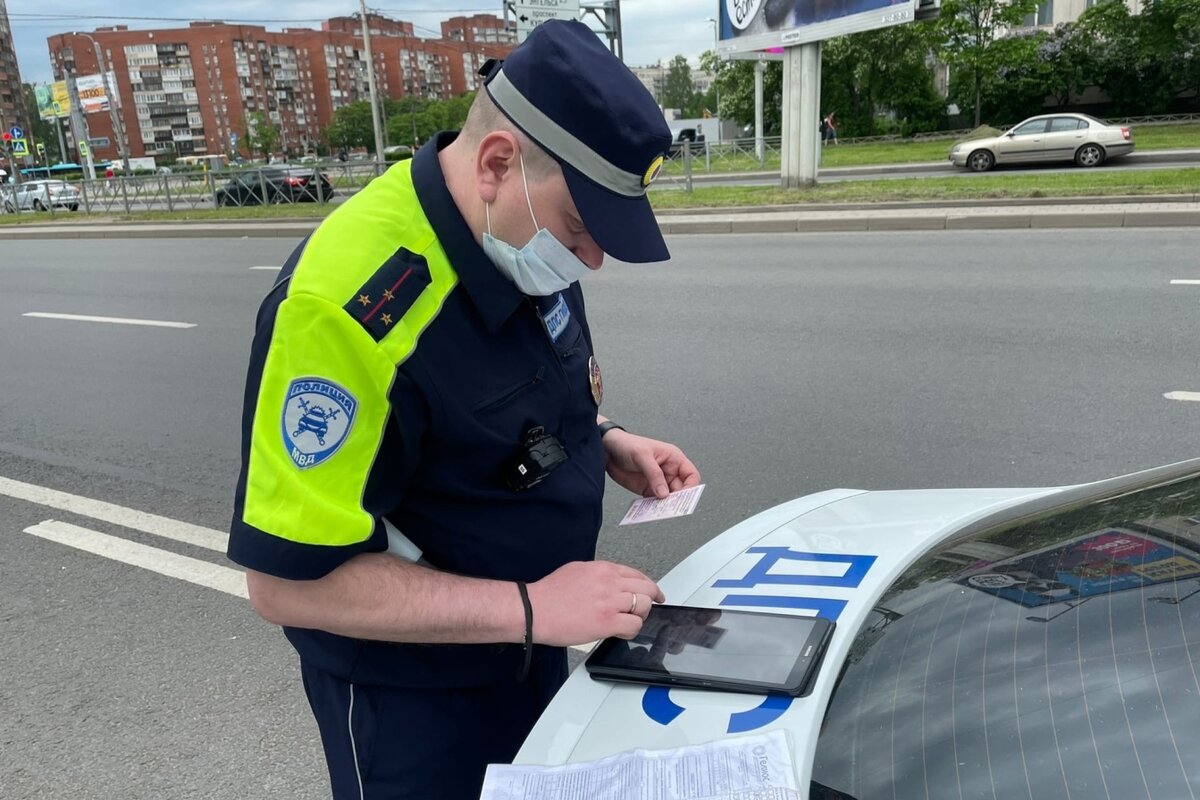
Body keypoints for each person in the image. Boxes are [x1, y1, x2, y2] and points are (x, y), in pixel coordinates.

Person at [227, 19, 700, 800]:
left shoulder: (519, 226)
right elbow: (287, 585)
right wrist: (530, 605)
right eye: (583, 230)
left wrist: (606, 440)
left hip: (534, 638)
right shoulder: (342, 311)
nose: (590, 260)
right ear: (496, 164)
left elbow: (503, 402)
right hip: (416, 703)